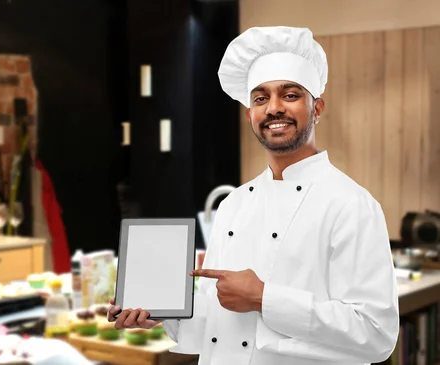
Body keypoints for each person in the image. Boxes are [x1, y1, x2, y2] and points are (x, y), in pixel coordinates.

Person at [107, 26, 400, 365]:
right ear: (250, 115)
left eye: (290, 95)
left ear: (317, 107)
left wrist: (264, 298)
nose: (274, 108)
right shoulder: (234, 205)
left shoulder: (351, 205)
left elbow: (377, 334)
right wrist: (163, 312)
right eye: (260, 98)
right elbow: (219, 326)